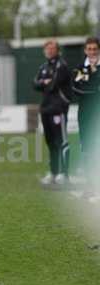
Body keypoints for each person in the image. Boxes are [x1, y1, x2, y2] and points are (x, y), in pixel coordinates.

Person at [33, 39, 72, 185]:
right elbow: (35, 84)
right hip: (46, 108)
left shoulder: (62, 65)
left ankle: (64, 173)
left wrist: (44, 83)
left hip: (59, 108)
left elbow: (53, 85)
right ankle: (54, 173)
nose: (49, 51)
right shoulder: (43, 66)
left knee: (61, 141)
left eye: (52, 49)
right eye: (46, 49)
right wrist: (43, 82)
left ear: (57, 50)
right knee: (50, 142)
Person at [72, 37, 100, 198]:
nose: (92, 51)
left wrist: (93, 78)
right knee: (88, 149)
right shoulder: (80, 69)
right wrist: (95, 87)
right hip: (86, 114)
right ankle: (90, 185)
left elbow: (86, 87)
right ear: (85, 51)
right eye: (89, 49)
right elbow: (77, 90)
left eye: (94, 49)